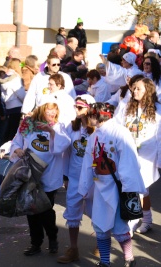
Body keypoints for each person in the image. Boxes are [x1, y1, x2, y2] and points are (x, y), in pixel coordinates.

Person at [78, 102, 146, 267]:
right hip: (100, 187)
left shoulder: (120, 132)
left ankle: (129, 258)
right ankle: (105, 261)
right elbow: (88, 162)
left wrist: (127, 186)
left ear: (96, 115)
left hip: (117, 187)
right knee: (100, 226)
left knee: (120, 227)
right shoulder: (94, 136)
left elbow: (129, 159)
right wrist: (85, 186)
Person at [11, 95, 70, 256]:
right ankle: (35, 243)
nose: (52, 112)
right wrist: (17, 150)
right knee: (30, 209)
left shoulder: (58, 127)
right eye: (48, 108)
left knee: (45, 209)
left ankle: (52, 238)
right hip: (29, 174)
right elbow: (16, 141)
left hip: (48, 176)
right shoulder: (27, 125)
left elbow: (62, 146)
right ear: (41, 108)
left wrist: (51, 131)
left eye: (54, 108)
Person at [115, 78, 161, 236]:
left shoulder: (158, 110)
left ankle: (131, 222)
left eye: (139, 89)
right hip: (128, 153)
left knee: (138, 188)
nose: (134, 91)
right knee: (141, 189)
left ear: (148, 91)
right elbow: (117, 127)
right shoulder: (126, 106)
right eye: (134, 88)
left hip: (147, 156)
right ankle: (147, 219)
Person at [57, 94, 95, 264]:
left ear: (90, 108)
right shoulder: (71, 128)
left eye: (80, 107)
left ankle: (102, 244)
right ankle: (74, 249)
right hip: (74, 177)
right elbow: (65, 152)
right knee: (72, 212)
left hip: (95, 179)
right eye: (76, 106)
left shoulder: (98, 128)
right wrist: (65, 176)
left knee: (97, 212)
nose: (77, 110)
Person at [0, 58, 26, 142]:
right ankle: (10, 148)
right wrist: (26, 102)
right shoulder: (15, 78)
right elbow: (20, 92)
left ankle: (4, 145)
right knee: (13, 130)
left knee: (7, 129)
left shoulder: (5, 77)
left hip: (8, 106)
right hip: (16, 106)